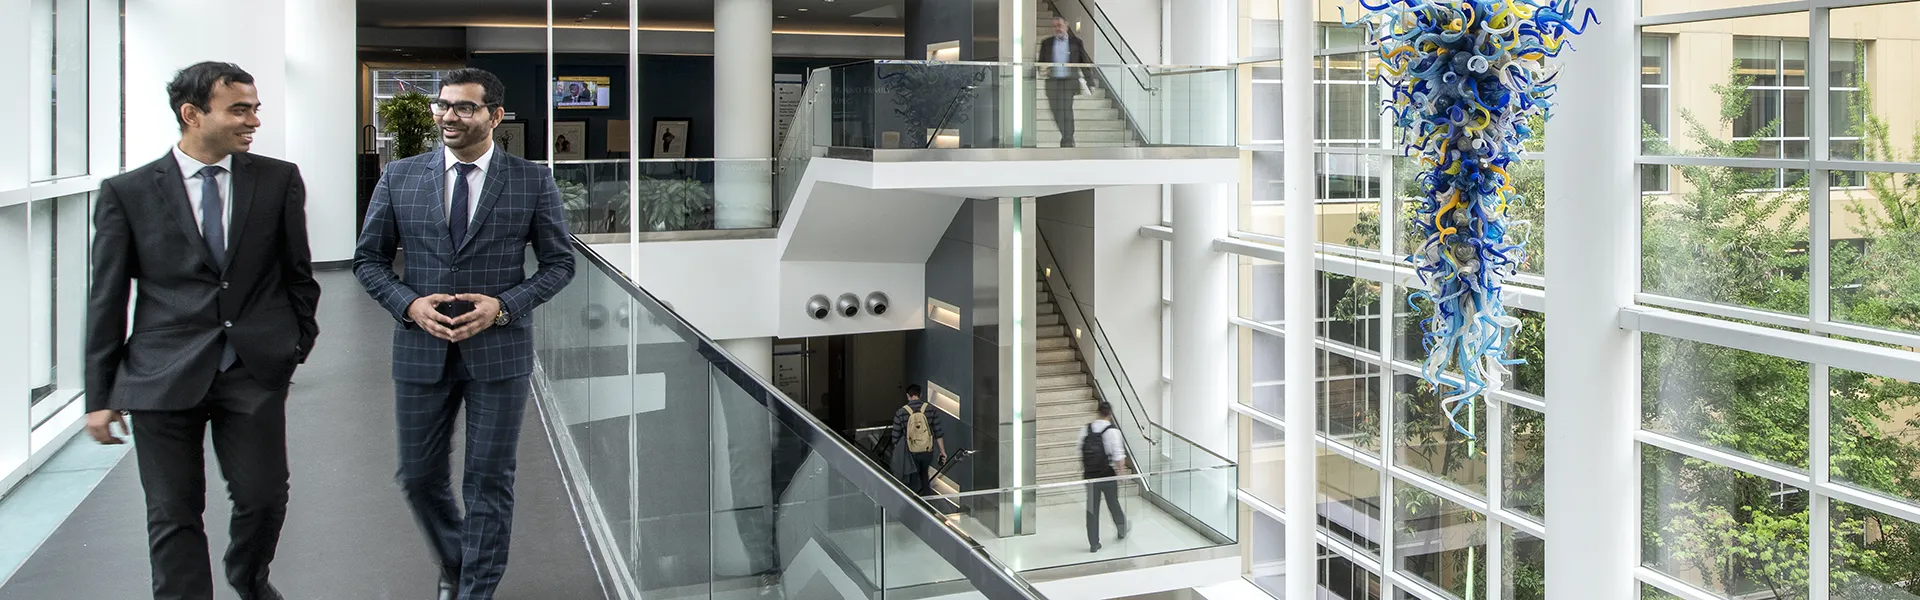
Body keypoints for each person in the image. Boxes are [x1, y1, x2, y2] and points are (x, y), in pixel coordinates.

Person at [84, 61, 320, 600]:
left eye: (255, 108)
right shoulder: (127, 192)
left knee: (263, 498)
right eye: (239, 109)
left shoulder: (278, 180)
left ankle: (248, 577)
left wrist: (294, 344)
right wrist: (100, 395)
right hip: (160, 375)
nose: (253, 120)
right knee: (172, 512)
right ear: (192, 114)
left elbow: (298, 275)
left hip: (252, 368)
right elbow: (107, 298)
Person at [353, 67, 576, 600]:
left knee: (489, 480)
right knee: (417, 477)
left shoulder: (531, 180)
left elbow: (559, 264)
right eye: (443, 105)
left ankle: (476, 589)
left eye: (464, 107)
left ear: (494, 116)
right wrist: (409, 304)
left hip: (499, 353)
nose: (448, 116)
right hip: (420, 349)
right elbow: (368, 260)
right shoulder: (400, 176)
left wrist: (504, 306)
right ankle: (458, 562)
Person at [1036, 16, 1096, 148]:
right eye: (1054, 26)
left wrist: (1090, 81)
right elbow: (1040, 63)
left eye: (1059, 25)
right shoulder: (1046, 43)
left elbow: (1084, 62)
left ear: (1066, 26)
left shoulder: (1076, 42)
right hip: (1053, 82)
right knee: (1056, 111)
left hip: (1069, 82)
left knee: (1066, 110)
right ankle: (1066, 135)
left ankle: (1068, 140)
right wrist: (1043, 69)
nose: (1057, 28)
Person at [1082, 402, 1130, 552]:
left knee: (1092, 509)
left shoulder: (1086, 429)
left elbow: (1080, 451)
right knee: (1113, 503)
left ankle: (1093, 543)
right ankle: (1122, 529)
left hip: (1090, 476)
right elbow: (1118, 455)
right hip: (1107, 474)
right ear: (1110, 414)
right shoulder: (1112, 431)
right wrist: (1122, 473)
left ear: (1098, 413)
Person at [889, 384, 948, 495]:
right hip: (927, 451)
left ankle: (913, 501)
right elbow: (938, 432)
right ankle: (926, 498)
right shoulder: (930, 410)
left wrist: (899, 454)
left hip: (910, 451)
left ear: (908, 396)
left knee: (913, 480)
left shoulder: (901, 412)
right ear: (920, 394)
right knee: (924, 475)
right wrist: (942, 451)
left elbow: (895, 437)